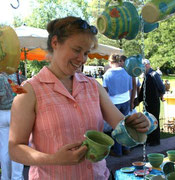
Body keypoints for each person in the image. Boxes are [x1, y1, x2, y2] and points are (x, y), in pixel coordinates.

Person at [9, 16, 150, 180]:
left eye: (86, 53)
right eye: (77, 50)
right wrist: (53, 159)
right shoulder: (29, 91)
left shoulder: (93, 86)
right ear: (55, 42)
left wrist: (136, 123)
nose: (82, 59)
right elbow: (15, 148)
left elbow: (121, 125)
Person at [103, 54, 133, 156]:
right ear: (119, 61)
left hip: (114, 102)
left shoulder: (107, 74)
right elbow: (130, 88)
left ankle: (118, 151)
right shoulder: (126, 72)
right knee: (124, 125)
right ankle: (126, 148)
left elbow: (105, 91)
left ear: (110, 62)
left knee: (115, 127)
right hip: (126, 100)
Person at [0, 72, 24, 180]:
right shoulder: (14, 75)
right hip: (15, 112)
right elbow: (21, 92)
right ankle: (17, 177)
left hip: (1, 114)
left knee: (4, 148)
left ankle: (5, 177)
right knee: (17, 147)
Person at [138, 59, 165, 146]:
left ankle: (156, 140)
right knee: (148, 120)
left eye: (142, 66)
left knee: (154, 120)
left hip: (154, 101)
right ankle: (149, 138)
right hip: (148, 101)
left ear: (147, 65)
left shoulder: (153, 74)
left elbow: (162, 87)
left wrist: (161, 95)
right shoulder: (146, 75)